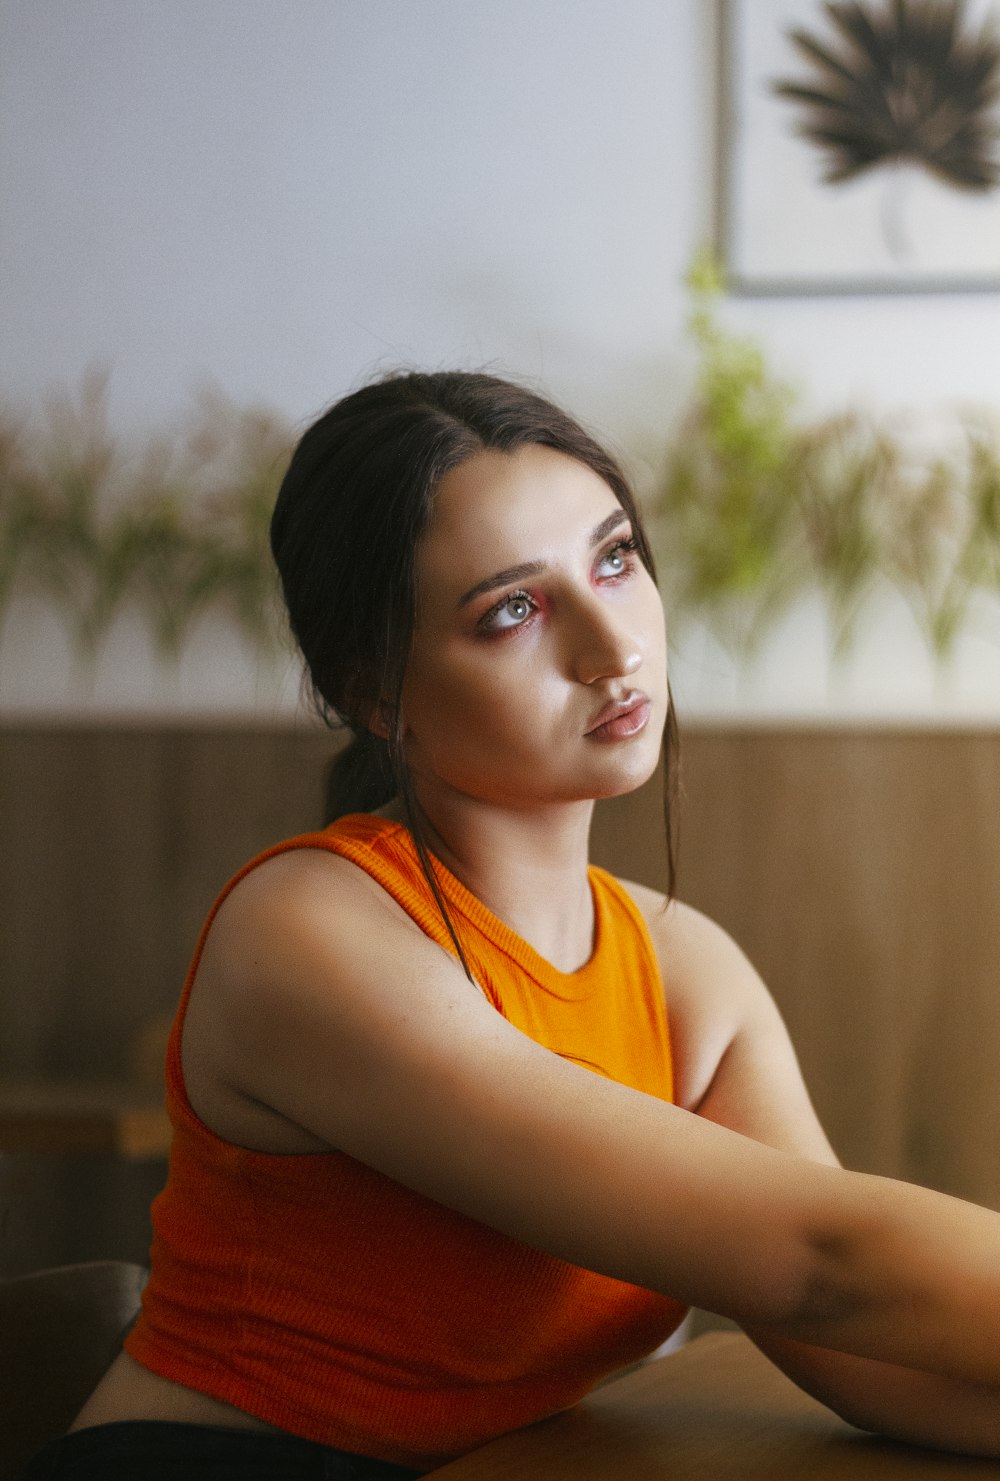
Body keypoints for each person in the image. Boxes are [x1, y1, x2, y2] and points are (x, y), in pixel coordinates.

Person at [26, 371, 1000, 1479]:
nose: (610, 644)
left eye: (615, 557)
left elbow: (848, 1339)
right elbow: (819, 1261)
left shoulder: (687, 968)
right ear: (376, 690)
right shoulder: (307, 930)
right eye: (511, 610)